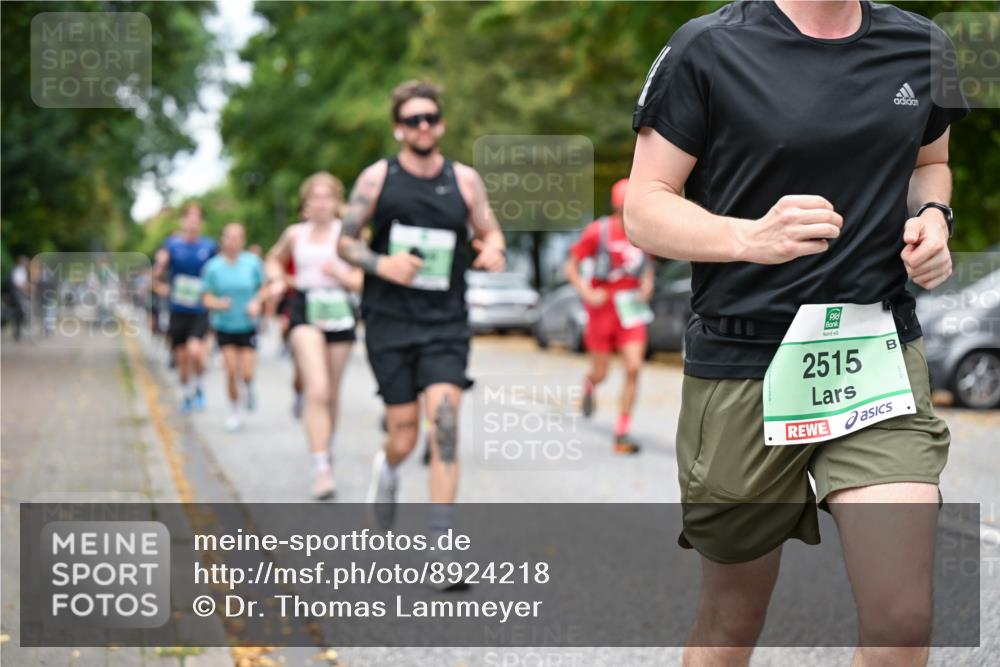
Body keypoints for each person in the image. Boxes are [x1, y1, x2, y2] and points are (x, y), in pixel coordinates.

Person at [626, 1, 968, 665]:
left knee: (902, 619)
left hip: (875, 351)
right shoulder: (707, 49)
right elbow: (644, 208)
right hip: (746, 361)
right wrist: (747, 236)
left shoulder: (924, 46)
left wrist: (933, 214)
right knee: (732, 622)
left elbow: (931, 161)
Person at [337, 80, 506, 550]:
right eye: (413, 119)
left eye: (430, 117)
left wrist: (493, 250)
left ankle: (441, 542)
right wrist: (382, 264)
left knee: (446, 425)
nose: (423, 125)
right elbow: (345, 242)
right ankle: (388, 467)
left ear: (442, 123)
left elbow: (491, 232)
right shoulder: (377, 179)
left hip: (445, 321)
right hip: (389, 319)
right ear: (398, 129)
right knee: (405, 434)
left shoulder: (466, 180)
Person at [266, 172, 362, 500]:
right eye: (315, 198)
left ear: (338, 202)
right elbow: (273, 260)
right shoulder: (295, 234)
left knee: (332, 393)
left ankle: (326, 447)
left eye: (327, 197)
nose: (321, 203)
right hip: (305, 307)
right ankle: (320, 467)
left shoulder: (349, 236)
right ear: (305, 205)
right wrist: (278, 280)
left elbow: (364, 280)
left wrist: (342, 275)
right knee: (317, 389)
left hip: (340, 309)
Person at [565, 178, 654, 455]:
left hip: (631, 312)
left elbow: (647, 269)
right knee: (601, 372)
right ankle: (590, 383)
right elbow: (571, 266)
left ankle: (622, 430)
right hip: (602, 309)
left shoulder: (646, 233)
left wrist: (648, 285)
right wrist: (586, 292)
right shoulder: (598, 231)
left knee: (634, 367)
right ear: (617, 207)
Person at [202, 222, 266, 432]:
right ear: (223, 239)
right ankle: (234, 410)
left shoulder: (253, 263)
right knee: (230, 370)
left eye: (237, 237)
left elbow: (264, 288)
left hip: (247, 325)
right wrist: (218, 304)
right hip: (224, 325)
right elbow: (205, 297)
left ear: (243, 240)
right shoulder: (213, 266)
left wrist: (257, 302)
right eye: (229, 237)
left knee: (247, 373)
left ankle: (248, 388)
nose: (233, 241)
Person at [154, 203, 217, 412]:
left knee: (196, 352)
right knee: (182, 361)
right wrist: (161, 278)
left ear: (201, 222)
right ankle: (185, 393)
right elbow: (156, 277)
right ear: (182, 221)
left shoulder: (209, 247)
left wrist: (214, 297)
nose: (192, 221)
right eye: (189, 217)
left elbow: (216, 275)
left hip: (199, 310)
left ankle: (199, 386)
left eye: (197, 217)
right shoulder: (171, 245)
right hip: (178, 310)